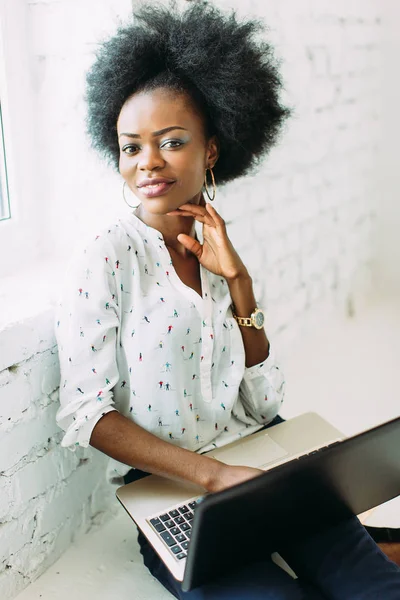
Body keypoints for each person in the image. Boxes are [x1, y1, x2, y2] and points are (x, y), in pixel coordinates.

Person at [54, 2, 400, 598]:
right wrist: (214, 477)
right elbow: (87, 414)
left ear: (210, 150)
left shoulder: (215, 244)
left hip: (261, 462)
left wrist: (238, 282)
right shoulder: (107, 255)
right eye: (131, 146)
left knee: (372, 584)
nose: (148, 163)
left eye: (171, 141)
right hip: (176, 486)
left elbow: (264, 402)